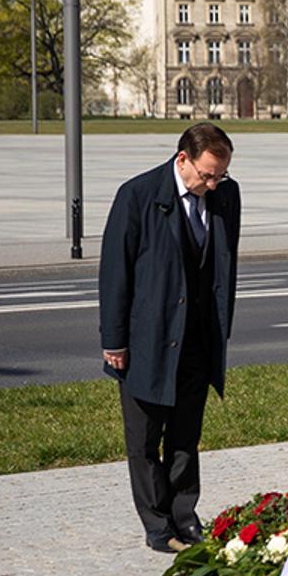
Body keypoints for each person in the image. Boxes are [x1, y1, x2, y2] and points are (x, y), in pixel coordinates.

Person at [99, 123, 240, 553]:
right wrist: (114, 340)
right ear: (183, 159)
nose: (213, 184)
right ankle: (157, 526)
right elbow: (115, 273)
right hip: (148, 341)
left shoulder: (225, 197)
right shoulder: (138, 196)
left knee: (184, 438)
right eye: (207, 174)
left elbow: (219, 268)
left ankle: (185, 516)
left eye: (220, 175)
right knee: (143, 441)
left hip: (197, 341)